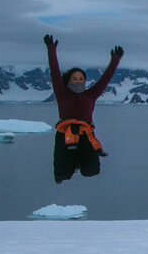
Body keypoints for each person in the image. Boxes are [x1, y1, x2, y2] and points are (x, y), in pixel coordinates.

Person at [44, 34, 123, 183]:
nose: (78, 80)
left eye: (81, 78)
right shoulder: (62, 93)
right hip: (64, 135)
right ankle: (70, 166)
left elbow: (105, 80)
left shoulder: (90, 95)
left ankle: (79, 162)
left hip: (86, 135)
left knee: (92, 171)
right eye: (75, 78)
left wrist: (115, 60)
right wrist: (51, 49)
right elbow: (54, 72)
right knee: (61, 174)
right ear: (68, 80)